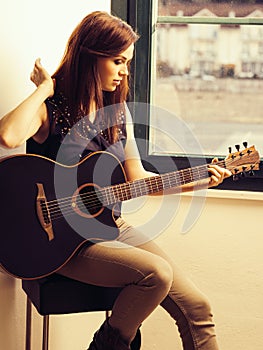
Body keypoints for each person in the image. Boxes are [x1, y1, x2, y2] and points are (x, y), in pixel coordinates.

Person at [0, 11, 231, 350]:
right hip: (61, 243)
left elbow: (139, 179)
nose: (125, 71)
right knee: (157, 274)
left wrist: (199, 180)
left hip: (109, 225)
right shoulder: (52, 107)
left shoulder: (118, 112)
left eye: (128, 62)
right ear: (90, 55)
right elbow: (8, 135)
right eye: (118, 60)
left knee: (198, 306)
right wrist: (45, 88)